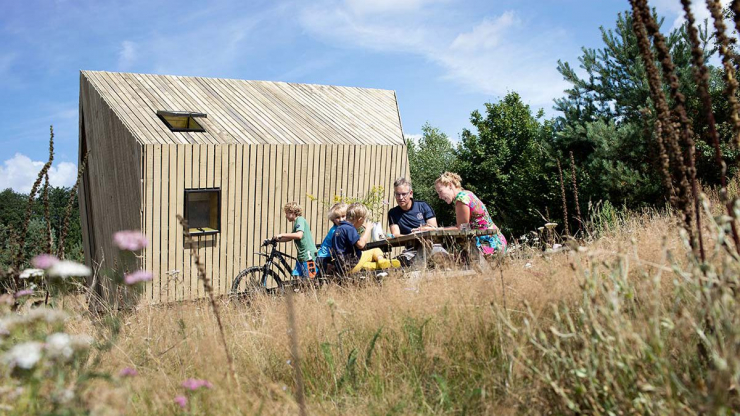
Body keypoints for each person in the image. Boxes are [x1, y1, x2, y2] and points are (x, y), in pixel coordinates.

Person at [432, 172, 507, 255]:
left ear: (450, 185)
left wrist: (435, 229)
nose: (440, 196)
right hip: (497, 241)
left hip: (489, 245)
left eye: (440, 191)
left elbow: (462, 229)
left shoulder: (461, 199)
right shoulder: (467, 194)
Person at [331, 203, 395, 275]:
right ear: (360, 219)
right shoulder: (350, 228)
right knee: (375, 251)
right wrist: (368, 229)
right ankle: (382, 261)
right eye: (363, 220)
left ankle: (387, 265)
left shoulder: (339, 229)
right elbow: (361, 245)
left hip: (342, 268)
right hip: (351, 264)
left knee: (366, 264)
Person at [272, 202, 318, 279]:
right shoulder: (297, 222)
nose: (285, 216)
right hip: (301, 256)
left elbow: (299, 235)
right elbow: (290, 237)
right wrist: (275, 239)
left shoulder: (300, 219)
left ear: (292, 212)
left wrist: (282, 234)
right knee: (298, 280)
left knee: (311, 281)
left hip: (308, 255)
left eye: (286, 213)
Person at [316, 202, 348, 276]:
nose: (341, 219)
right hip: (325, 258)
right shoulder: (336, 231)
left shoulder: (340, 228)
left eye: (343, 216)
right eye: (337, 217)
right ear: (333, 220)